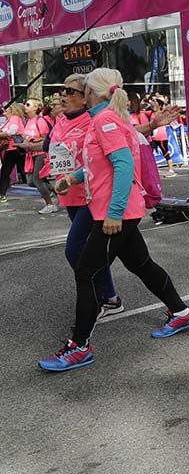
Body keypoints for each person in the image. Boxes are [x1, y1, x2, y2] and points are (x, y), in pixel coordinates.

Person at [39, 69, 189, 372]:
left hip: (115, 212)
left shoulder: (104, 120)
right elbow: (103, 165)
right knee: (140, 264)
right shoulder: (110, 118)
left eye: (83, 88)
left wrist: (114, 213)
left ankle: (79, 347)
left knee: (85, 272)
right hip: (116, 210)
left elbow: (124, 166)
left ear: (94, 93)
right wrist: (71, 178)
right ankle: (181, 312)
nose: (78, 93)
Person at [19, 75, 123, 320]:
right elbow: (47, 146)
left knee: (75, 249)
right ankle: (110, 298)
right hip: (69, 193)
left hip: (92, 194)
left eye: (70, 91)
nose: (63, 95)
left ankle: (98, 296)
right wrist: (22, 145)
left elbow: (122, 144)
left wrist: (151, 127)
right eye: (61, 90)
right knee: (123, 255)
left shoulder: (96, 120)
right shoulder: (61, 120)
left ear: (85, 97)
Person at [21, 98, 56, 213]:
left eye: (28, 104)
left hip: (41, 153)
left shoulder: (40, 121)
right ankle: (57, 188)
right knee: (31, 181)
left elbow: (48, 138)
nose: (25, 106)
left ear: (35, 108)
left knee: (37, 179)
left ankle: (50, 204)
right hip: (31, 154)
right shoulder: (27, 121)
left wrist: (35, 140)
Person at [0, 101, 27, 202]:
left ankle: (49, 188)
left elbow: (13, 131)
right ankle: (1, 194)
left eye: (5, 108)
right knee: (5, 172)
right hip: (12, 149)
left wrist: (1, 135)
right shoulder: (9, 120)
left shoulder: (14, 118)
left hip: (16, 148)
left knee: (29, 173)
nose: (3, 110)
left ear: (11, 109)